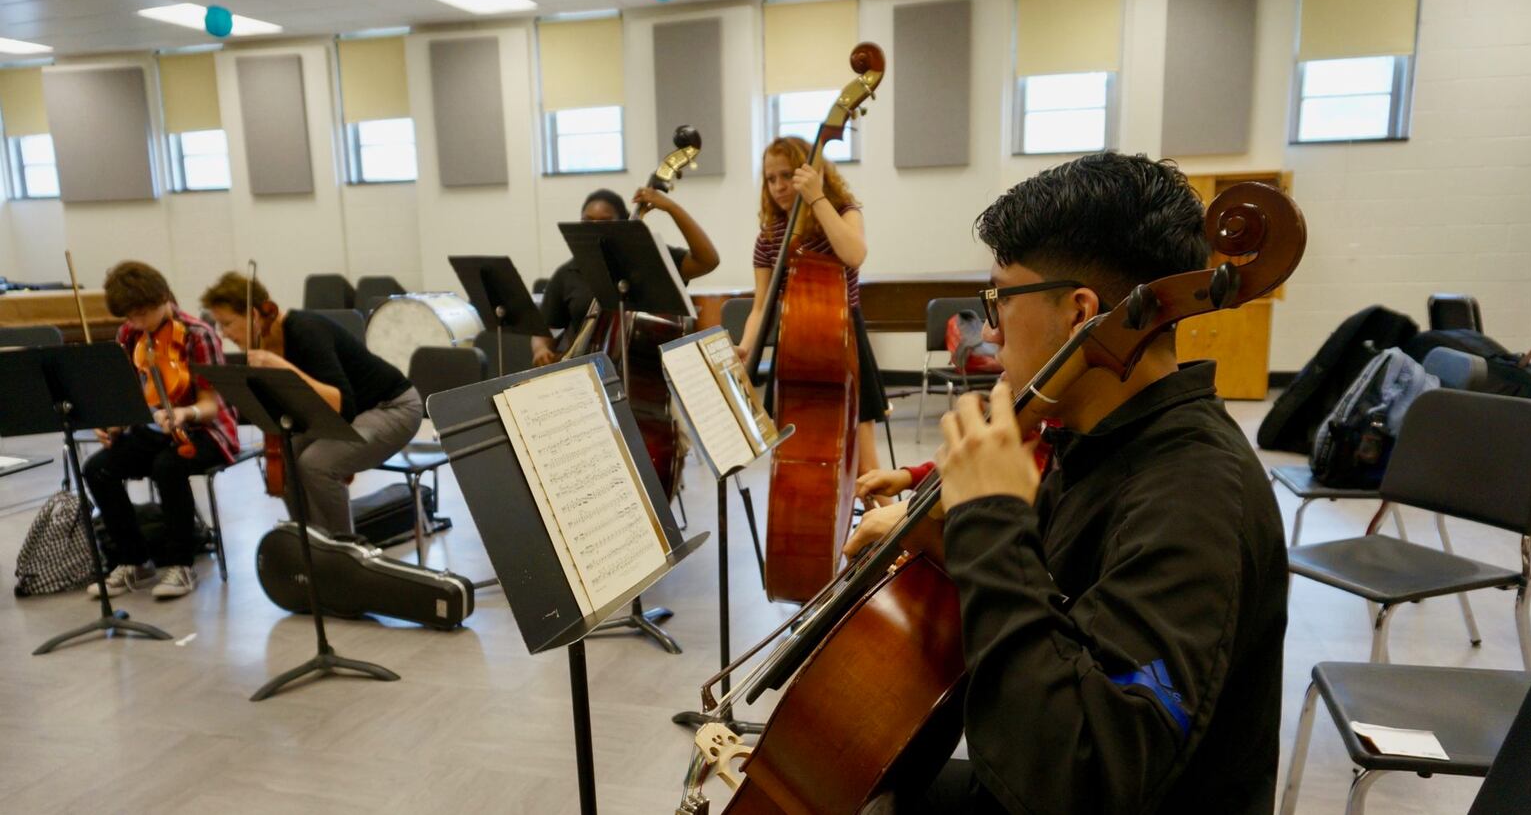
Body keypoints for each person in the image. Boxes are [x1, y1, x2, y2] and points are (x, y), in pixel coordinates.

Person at [876, 153, 1287, 813]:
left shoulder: (1196, 499)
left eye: (999, 299)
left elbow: (1076, 776)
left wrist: (988, 519)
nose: (992, 329)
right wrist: (949, 546)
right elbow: (1060, 602)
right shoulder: (1099, 438)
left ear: (1079, 313)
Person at [202, 271, 423, 536]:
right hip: (349, 416)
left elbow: (342, 405)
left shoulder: (306, 331)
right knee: (285, 459)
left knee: (317, 464)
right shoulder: (262, 345)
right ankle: (310, 540)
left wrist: (284, 368)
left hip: (393, 407)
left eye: (227, 324)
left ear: (254, 315)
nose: (223, 334)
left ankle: (343, 548)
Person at [83, 261, 240, 601]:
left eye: (142, 314)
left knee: (167, 466)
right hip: (154, 430)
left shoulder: (198, 334)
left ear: (163, 298)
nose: (137, 323)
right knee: (97, 469)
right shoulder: (129, 335)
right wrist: (113, 423)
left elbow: (211, 405)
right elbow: (130, 397)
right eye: (130, 316)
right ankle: (133, 560)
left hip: (207, 430)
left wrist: (184, 412)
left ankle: (180, 564)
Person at [737, 136, 891, 474]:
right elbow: (761, 307)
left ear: (810, 172)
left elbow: (854, 254)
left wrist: (816, 198)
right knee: (798, 448)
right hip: (794, 345)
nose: (779, 186)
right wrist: (746, 347)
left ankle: (883, 504)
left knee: (865, 456)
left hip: (845, 337)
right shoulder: (768, 238)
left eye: (787, 175)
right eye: (770, 179)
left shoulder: (842, 213)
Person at [532, 187, 720, 365]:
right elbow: (544, 328)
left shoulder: (653, 260)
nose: (594, 228)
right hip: (585, 370)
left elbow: (707, 261)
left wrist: (671, 208)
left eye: (605, 221)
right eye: (587, 221)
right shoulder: (568, 273)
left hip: (646, 371)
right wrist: (540, 349)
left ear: (623, 223)